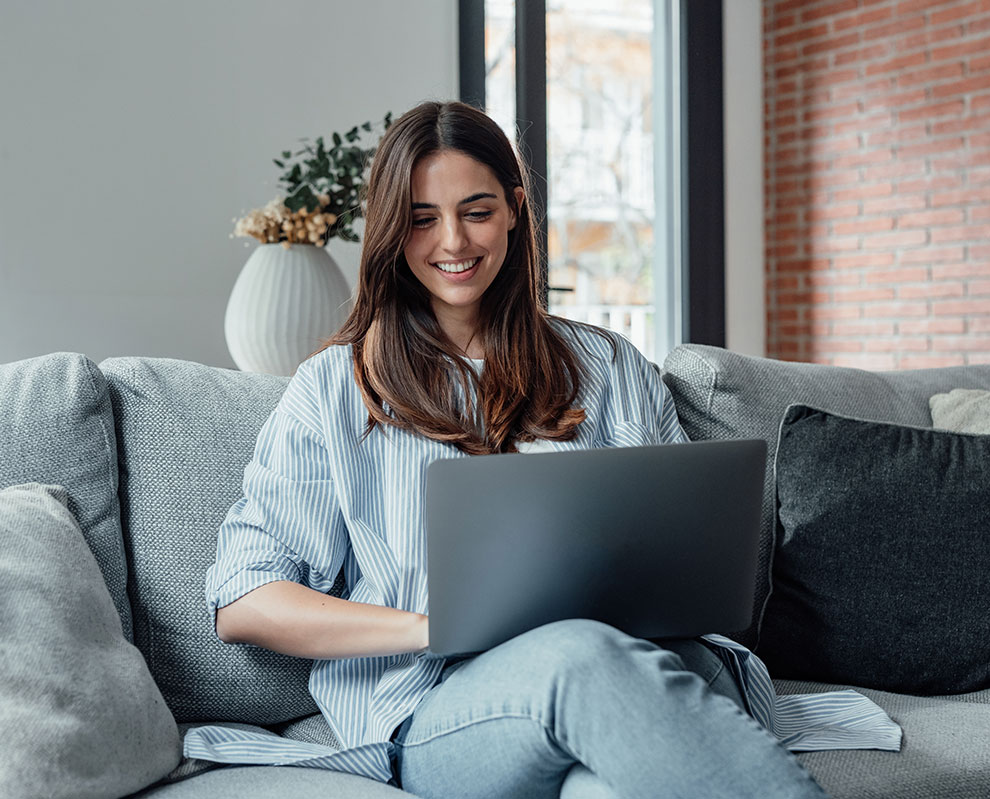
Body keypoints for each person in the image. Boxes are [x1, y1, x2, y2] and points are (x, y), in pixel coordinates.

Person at [184, 101, 894, 798]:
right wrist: (434, 625)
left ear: (516, 208)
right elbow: (245, 600)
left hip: (652, 666)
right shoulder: (335, 388)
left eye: (477, 210)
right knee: (578, 655)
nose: (453, 242)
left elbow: (691, 559)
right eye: (423, 218)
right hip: (445, 707)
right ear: (391, 230)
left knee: (600, 778)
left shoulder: (609, 365)